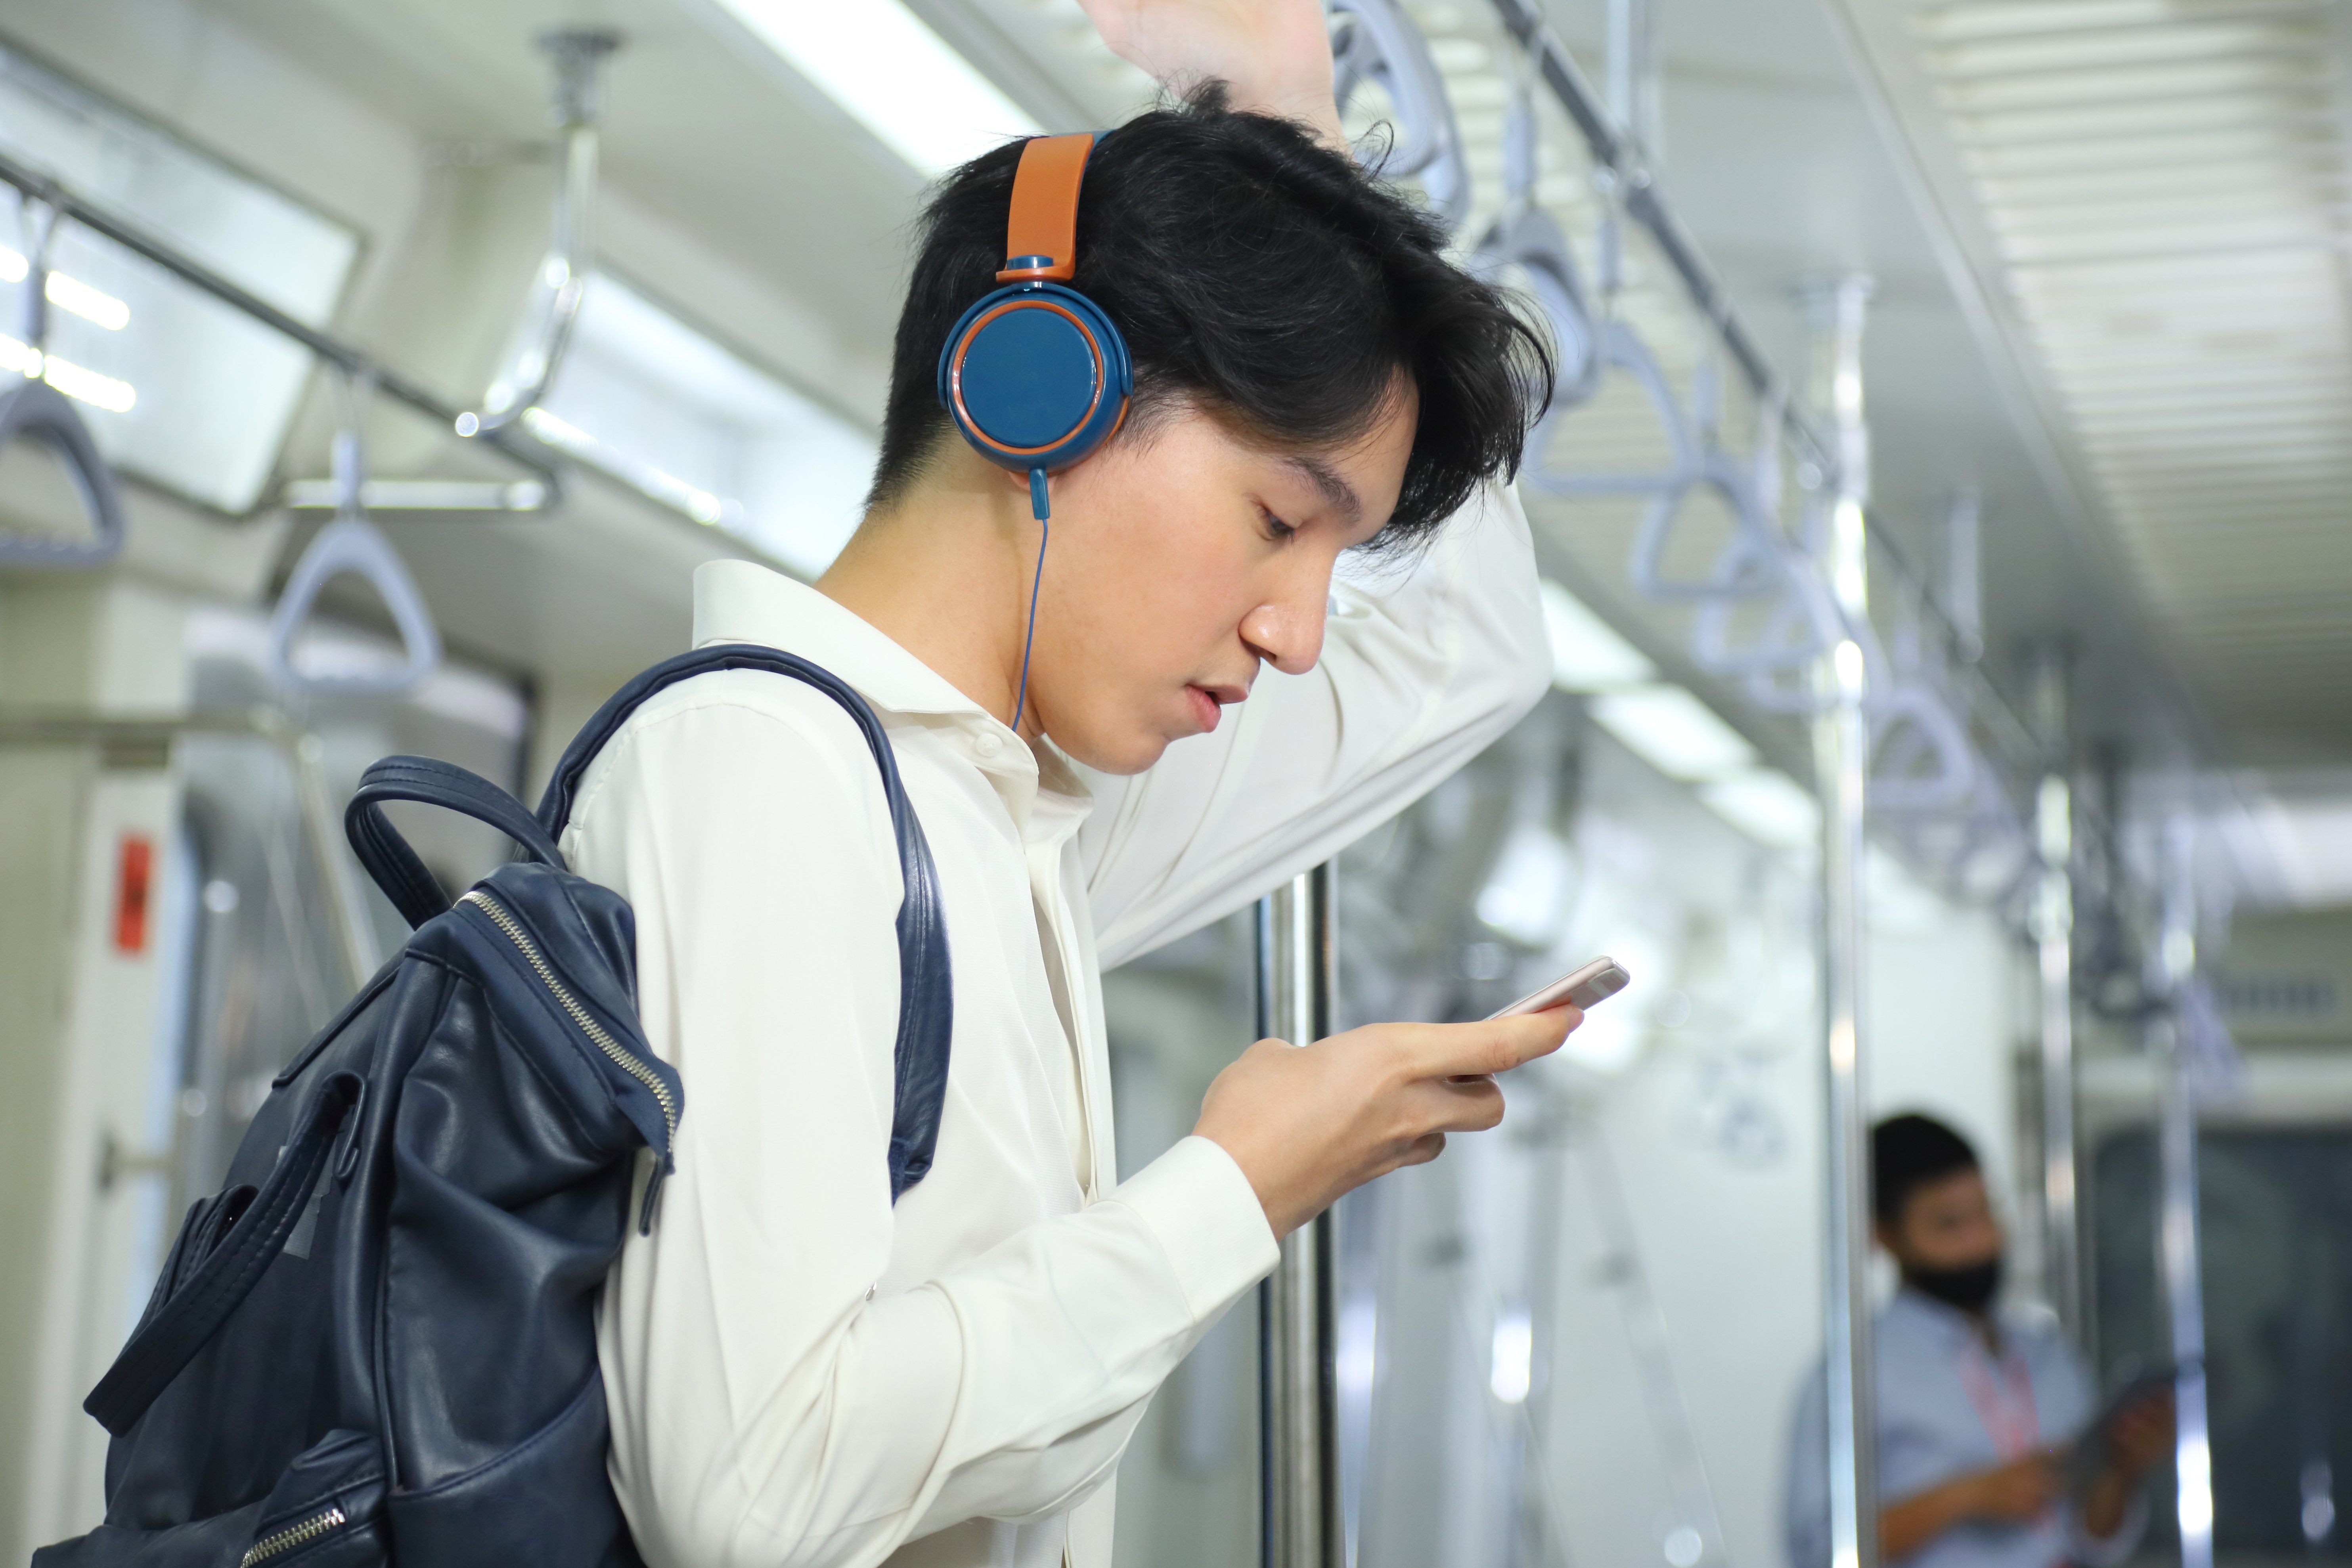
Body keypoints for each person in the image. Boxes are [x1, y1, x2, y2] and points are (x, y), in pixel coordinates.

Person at [559, 4, 1568, 1566]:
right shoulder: (763, 770)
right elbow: (751, 1497)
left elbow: (1474, 649)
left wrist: (1286, 131)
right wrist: (1231, 1188)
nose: (1300, 633)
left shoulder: (998, 818)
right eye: (1273, 520)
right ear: (1039, 389)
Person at [1786, 1114, 2175, 1568]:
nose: (1982, 1242)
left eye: (1987, 1213)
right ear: (1883, 1236)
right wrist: (1963, 1497)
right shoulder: (1853, 1375)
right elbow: (1817, 1553)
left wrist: (2121, 1469)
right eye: (1949, 1225)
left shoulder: (2049, 1356)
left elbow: (2092, 1537)